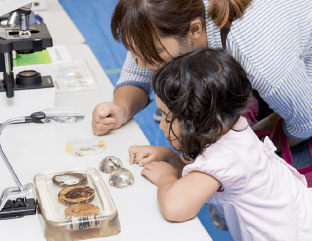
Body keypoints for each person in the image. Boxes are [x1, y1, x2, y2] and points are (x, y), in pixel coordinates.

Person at [129, 48, 312, 240]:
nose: (162, 126)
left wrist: (166, 177)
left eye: (167, 117)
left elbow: (175, 208)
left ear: (196, 122)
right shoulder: (232, 128)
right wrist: (170, 157)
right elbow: (200, 178)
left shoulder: (225, 157)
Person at [92, 0, 312, 151]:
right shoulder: (167, 20)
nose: (141, 64)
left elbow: (305, 123)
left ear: (195, 30)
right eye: (135, 52)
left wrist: (249, 150)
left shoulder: (257, 56)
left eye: (153, 54)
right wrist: (122, 108)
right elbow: (137, 67)